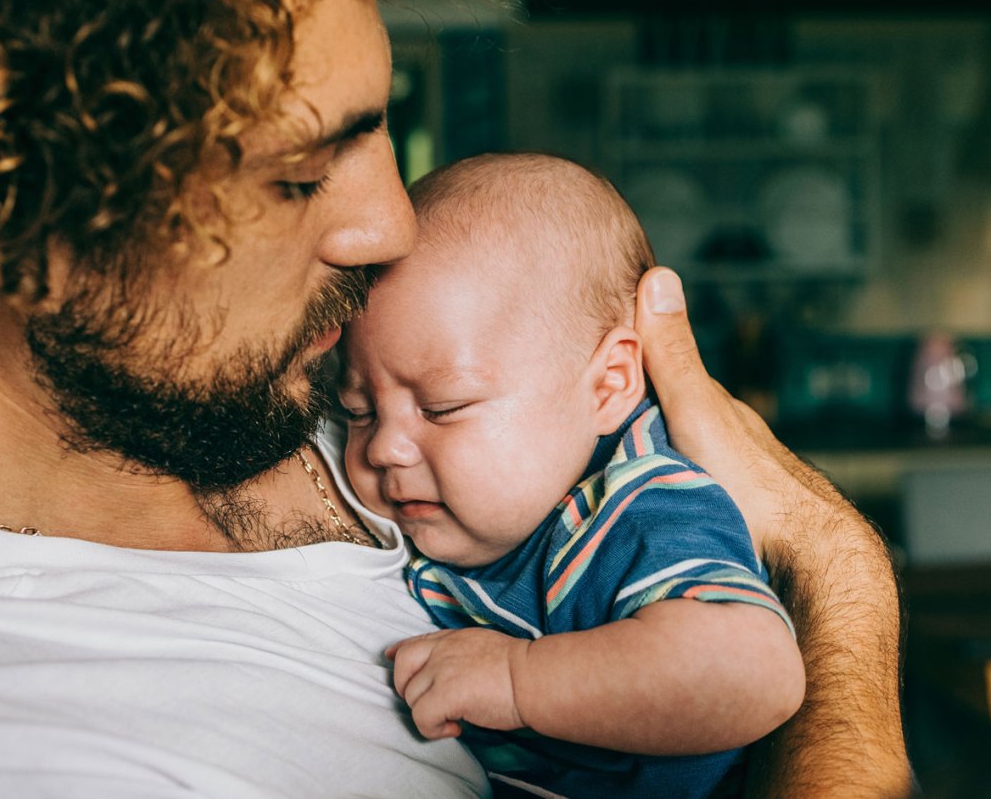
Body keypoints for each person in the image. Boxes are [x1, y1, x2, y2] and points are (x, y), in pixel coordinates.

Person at [0, 0, 910, 797]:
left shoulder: (272, 381)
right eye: (298, 176)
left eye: (376, 126)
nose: (391, 226)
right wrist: (832, 570)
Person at [339, 153, 806, 797]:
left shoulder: (632, 506)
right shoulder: (465, 516)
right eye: (358, 411)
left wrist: (517, 680)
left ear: (609, 383)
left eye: (441, 408)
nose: (385, 446)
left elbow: (755, 672)